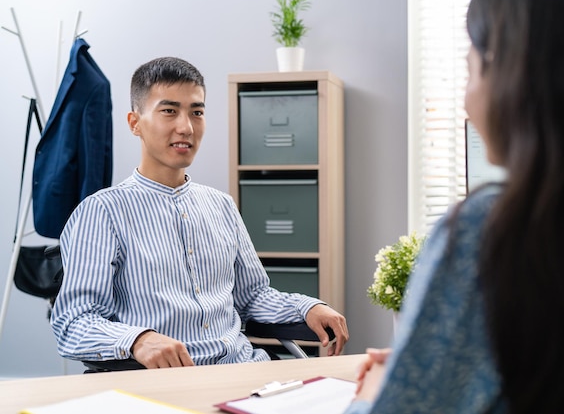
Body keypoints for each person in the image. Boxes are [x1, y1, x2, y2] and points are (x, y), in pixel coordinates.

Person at [345, 0, 564, 412]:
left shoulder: (491, 232)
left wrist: (377, 390)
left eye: (470, 68)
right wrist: (425, 366)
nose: (465, 99)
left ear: (511, 73)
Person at [50, 57, 349, 368]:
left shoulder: (221, 205)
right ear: (134, 122)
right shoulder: (102, 212)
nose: (186, 127)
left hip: (244, 370)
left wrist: (307, 308)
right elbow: (73, 323)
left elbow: (252, 297)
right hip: (165, 383)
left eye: (197, 112)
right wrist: (137, 339)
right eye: (169, 111)